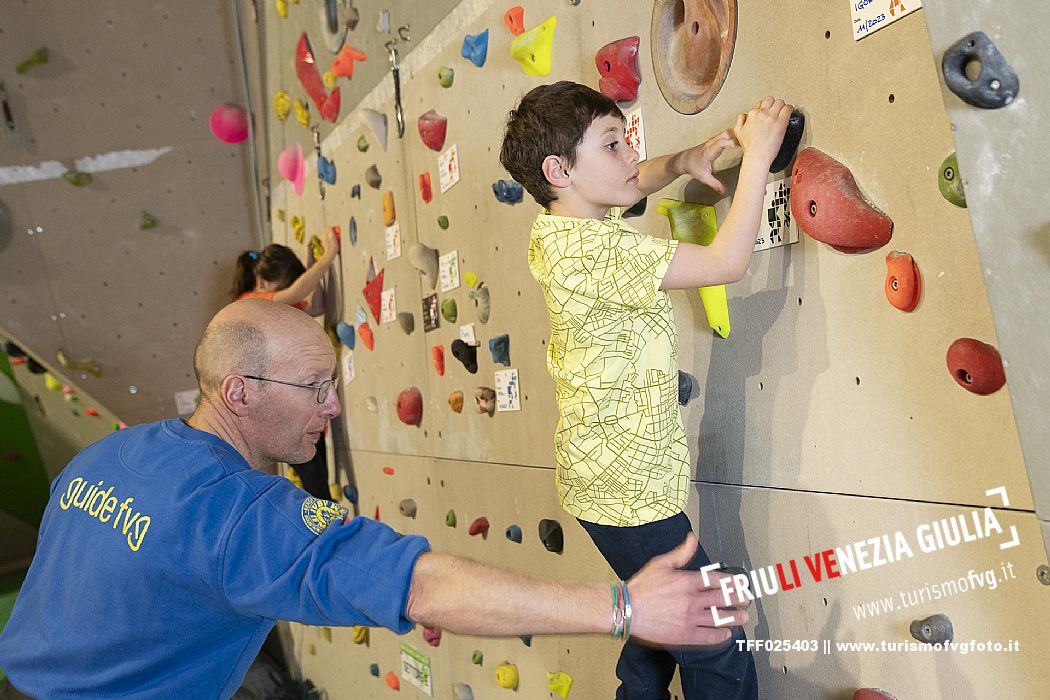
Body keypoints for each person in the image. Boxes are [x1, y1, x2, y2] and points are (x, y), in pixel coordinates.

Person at [0, 299, 749, 699]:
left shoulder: (113, 455)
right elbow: (418, 584)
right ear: (239, 392)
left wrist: (274, 324)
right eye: (315, 388)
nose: (331, 409)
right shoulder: (238, 519)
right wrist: (624, 609)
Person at [499, 81, 793, 699]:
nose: (632, 156)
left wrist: (681, 163)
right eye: (613, 145)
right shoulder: (599, 253)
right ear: (560, 170)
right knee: (714, 631)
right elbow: (723, 264)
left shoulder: (557, 231)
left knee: (658, 618)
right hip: (626, 489)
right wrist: (760, 156)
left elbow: (628, 185)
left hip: (604, 477)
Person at [229, 227, 340, 499]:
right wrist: (329, 255)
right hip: (277, 412)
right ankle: (329, 536)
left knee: (318, 479)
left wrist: (312, 266)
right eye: (283, 286)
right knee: (316, 485)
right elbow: (293, 294)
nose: (289, 292)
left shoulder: (275, 310)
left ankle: (330, 532)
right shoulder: (250, 303)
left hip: (292, 406)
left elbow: (316, 306)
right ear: (262, 281)